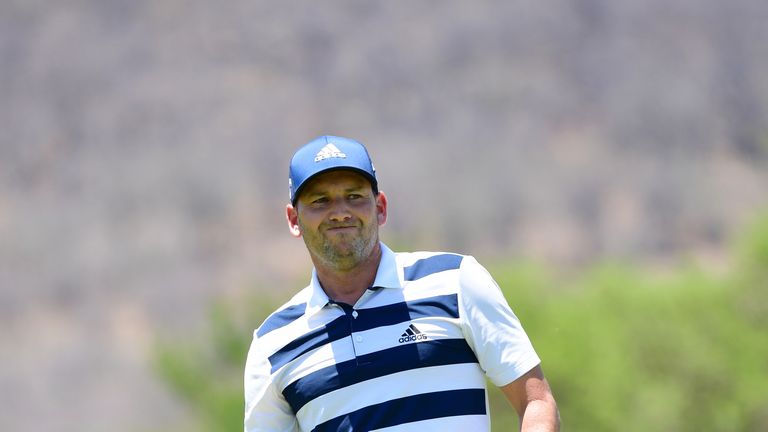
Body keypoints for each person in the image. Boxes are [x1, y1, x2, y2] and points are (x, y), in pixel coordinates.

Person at [244, 135, 560, 431]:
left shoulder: (455, 283)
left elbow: (536, 400)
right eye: (320, 201)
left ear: (380, 208)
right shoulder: (273, 345)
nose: (340, 212)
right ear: (293, 219)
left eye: (354, 197)